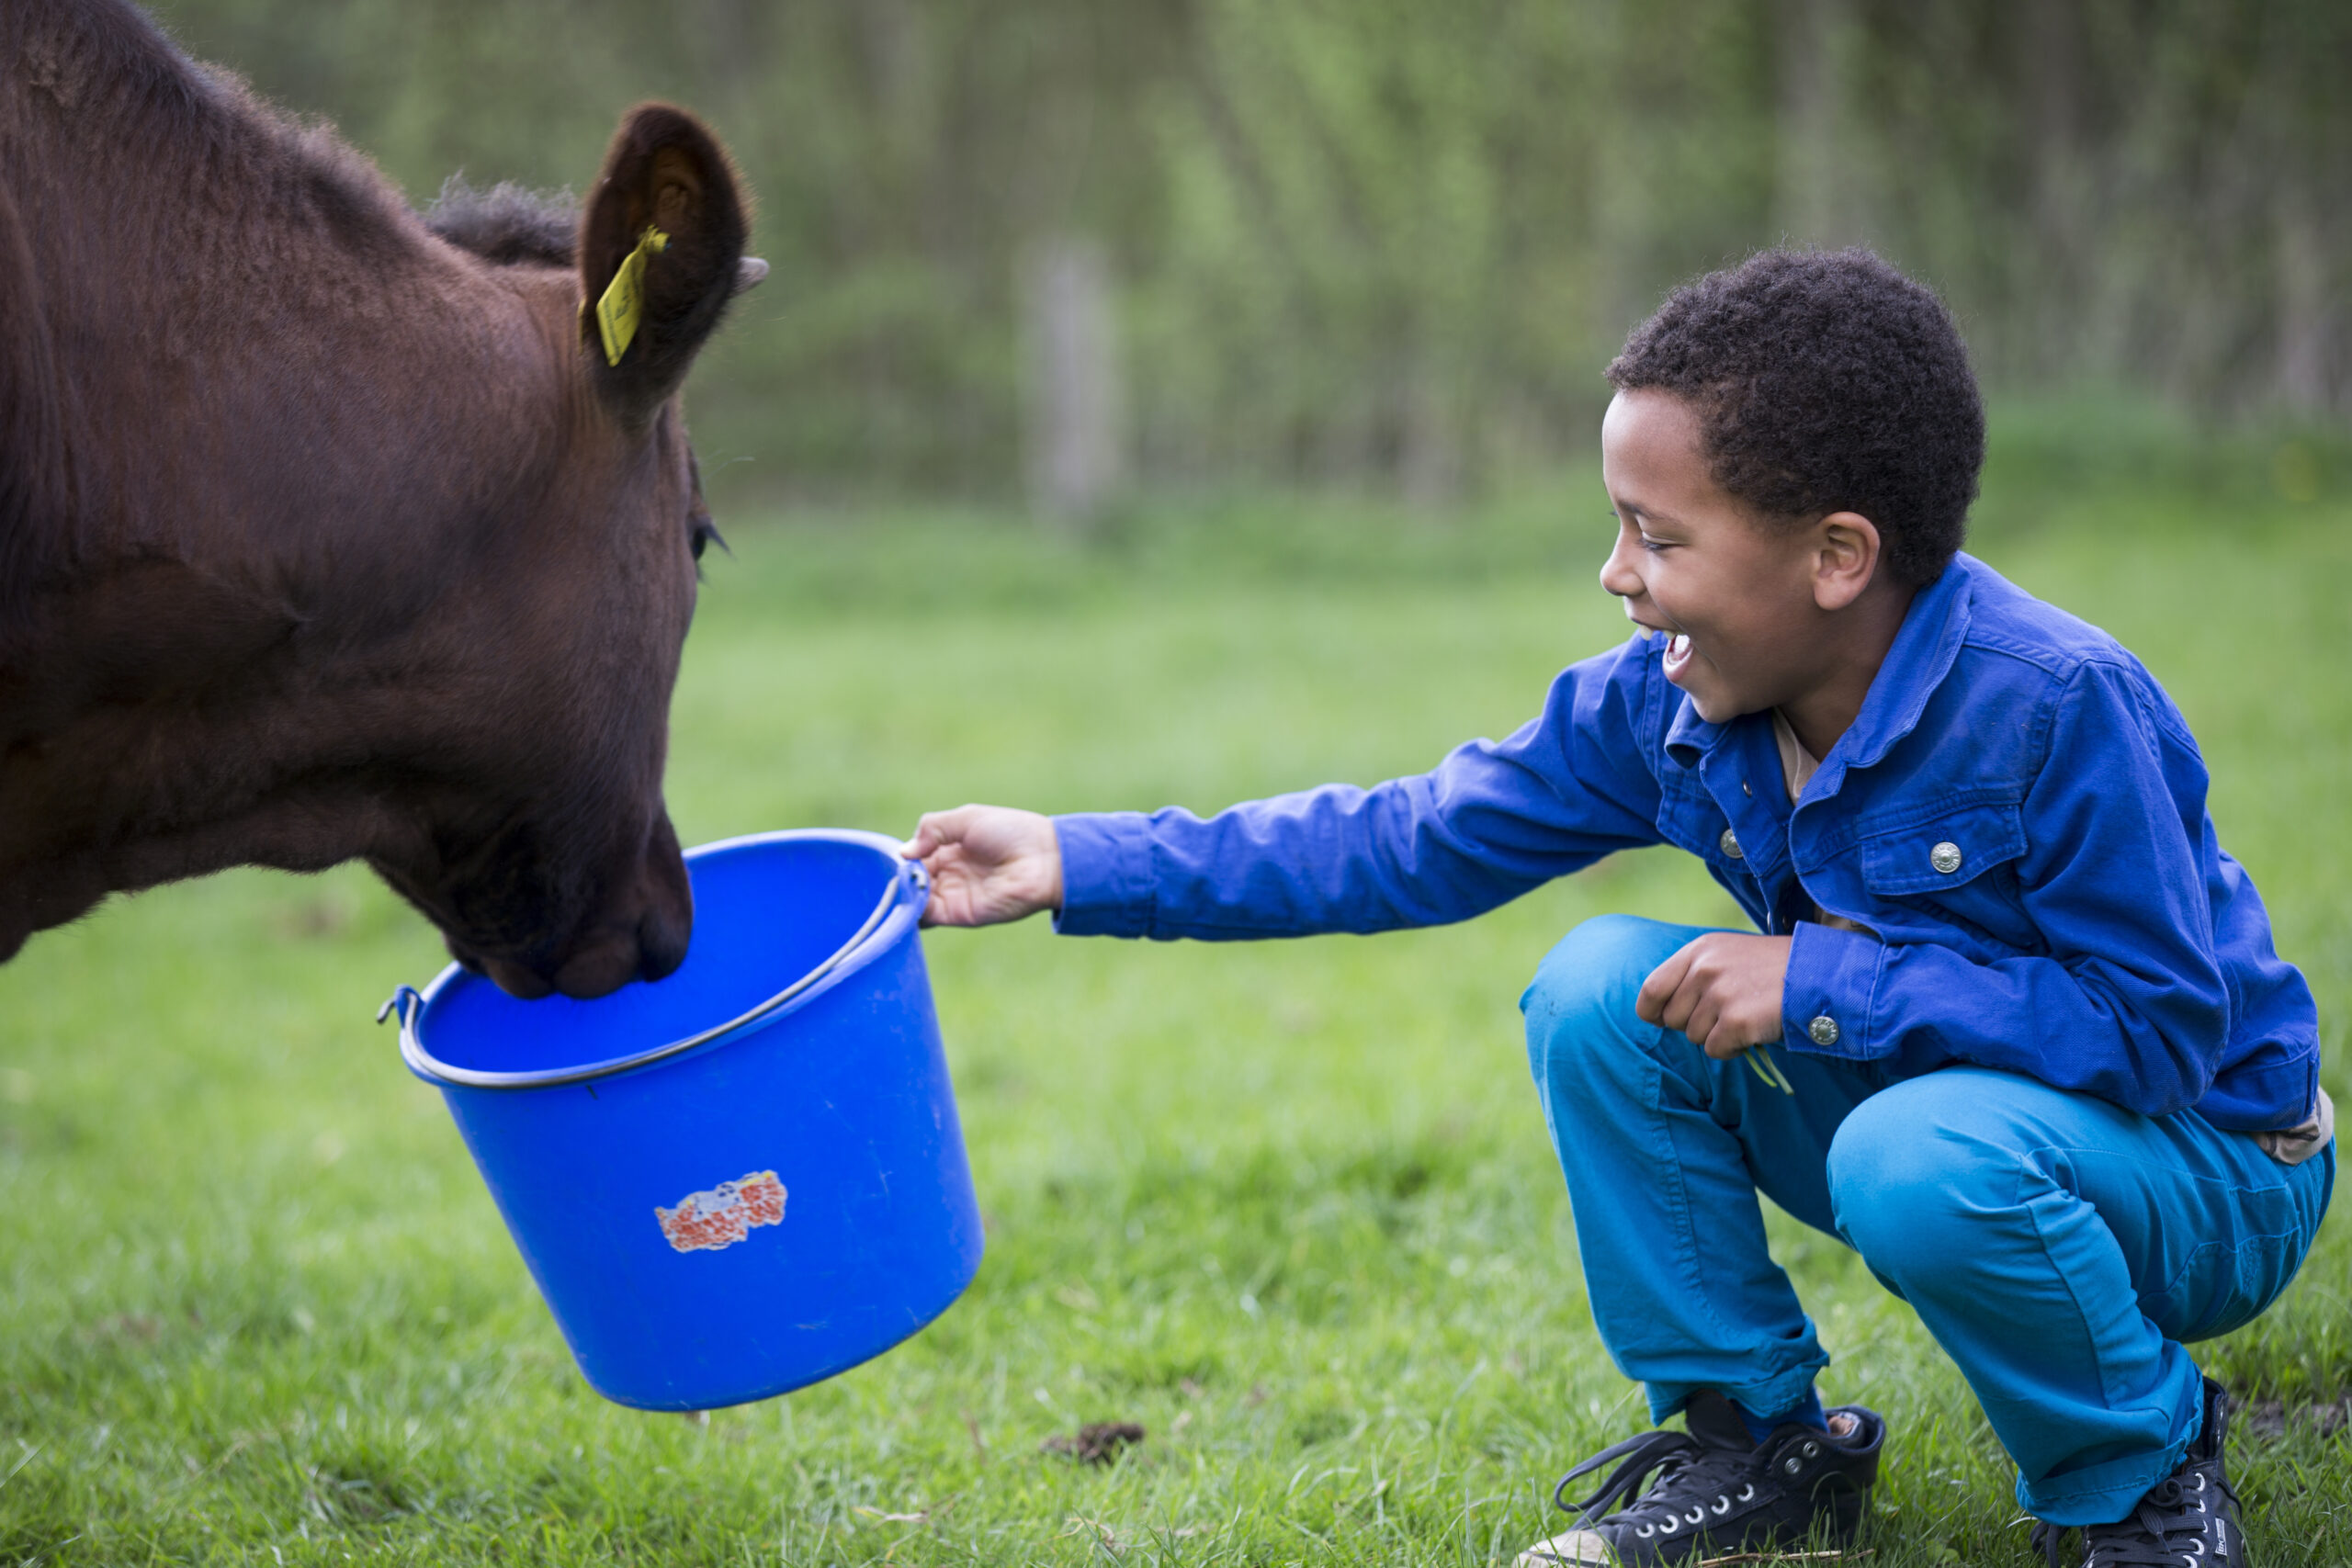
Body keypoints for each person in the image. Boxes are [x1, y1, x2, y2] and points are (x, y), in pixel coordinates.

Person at [901, 249, 2332, 1568]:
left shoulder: (2054, 706)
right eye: (1617, 528)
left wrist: (1824, 983)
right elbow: (1409, 839)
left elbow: (2157, 1034)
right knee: (1602, 993)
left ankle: (2140, 1478)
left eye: (1658, 537)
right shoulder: (1669, 710)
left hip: (2207, 1165)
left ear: (1837, 557)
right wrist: (1080, 860)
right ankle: (1758, 1444)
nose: (1618, 577)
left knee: (1913, 1147)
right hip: (1962, 1118)